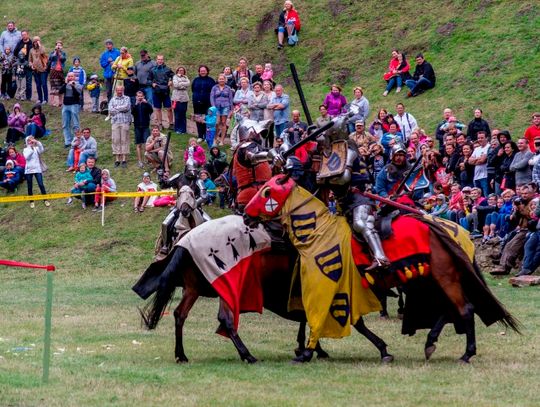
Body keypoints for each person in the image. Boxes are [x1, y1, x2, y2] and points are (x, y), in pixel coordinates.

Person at [108, 86, 131, 167]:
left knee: (124, 139)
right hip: (115, 122)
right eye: (118, 90)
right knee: (116, 139)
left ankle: (124, 159)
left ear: (123, 90)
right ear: (116, 90)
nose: (119, 91)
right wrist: (120, 109)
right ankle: (117, 159)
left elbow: (126, 107)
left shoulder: (127, 98)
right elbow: (110, 110)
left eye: (121, 90)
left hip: (124, 121)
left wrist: (116, 108)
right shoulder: (112, 99)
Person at [23, 136, 49, 208]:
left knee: (41, 184)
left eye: (31, 140)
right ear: (26, 142)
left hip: (37, 169)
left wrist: (37, 142)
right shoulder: (25, 150)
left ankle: (45, 199)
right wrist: (31, 148)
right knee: (30, 186)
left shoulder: (36, 148)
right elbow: (26, 157)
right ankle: (31, 201)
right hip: (28, 170)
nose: (30, 141)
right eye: (29, 140)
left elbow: (42, 149)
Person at [191, 65, 215, 141]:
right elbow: (192, 89)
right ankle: (200, 136)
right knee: (198, 119)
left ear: (207, 71)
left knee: (207, 119)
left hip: (208, 103)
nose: (203, 72)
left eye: (204, 70)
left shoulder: (211, 80)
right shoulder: (196, 80)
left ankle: (206, 136)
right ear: (199, 72)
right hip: (197, 102)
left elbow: (213, 91)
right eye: (201, 71)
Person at [148, 54, 173, 128]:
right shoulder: (152, 69)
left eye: (161, 59)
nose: (160, 61)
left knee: (169, 108)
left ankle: (171, 124)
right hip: (156, 91)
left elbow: (173, 75)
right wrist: (152, 84)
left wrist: (171, 81)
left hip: (165, 91)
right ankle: (160, 124)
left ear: (163, 60)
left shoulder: (168, 69)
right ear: (156, 60)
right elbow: (148, 80)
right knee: (157, 109)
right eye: (159, 59)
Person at [59, 71, 83, 148]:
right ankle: (67, 141)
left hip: (74, 105)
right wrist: (66, 83)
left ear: (74, 77)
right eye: (69, 76)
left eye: (71, 76)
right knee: (65, 124)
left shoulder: (78, 85)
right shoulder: (65, 85)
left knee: (75, 124)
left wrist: (73, 86)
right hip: (65, 105)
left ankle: (77, 140)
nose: (70, 78)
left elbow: (77, 94)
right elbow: (60, 91)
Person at [210, 73, 234, 145]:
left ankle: (222, 140)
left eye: (223, 79)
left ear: (225, 80)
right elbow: (212, 97)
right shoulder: (214, 87)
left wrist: (231, 109)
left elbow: (230, 99)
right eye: (220, 79)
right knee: (217, 123)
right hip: (216, 106)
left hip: (225, 106)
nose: (221, 80)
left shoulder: (228, 88)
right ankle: (215, 138)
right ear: (218, 80)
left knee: (223, 122)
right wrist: (213, 106)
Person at [132, 90, 153, 168]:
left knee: (146, 143)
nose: (140, 97)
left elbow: (151, 110)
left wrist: (146, 103)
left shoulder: (146, 104)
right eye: (138, 96)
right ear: (136, 97)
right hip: (137, 127)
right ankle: (140, 161)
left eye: (141, 96)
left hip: (145, 126)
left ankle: (147, 159)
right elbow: (132, 112)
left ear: (144, 96)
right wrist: (136, 104)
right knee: (138, 144)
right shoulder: (135, 105)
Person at [13, 30, 33, 101]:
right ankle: (19, 95)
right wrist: (19, 59)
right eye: (22, 35)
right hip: (20, 65)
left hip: (28, 64)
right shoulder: (20, 43)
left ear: (28, 35)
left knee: (28, 82)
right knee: (20, 82)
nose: (23, 36)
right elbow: (15, 52)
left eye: (25, 34)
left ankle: (28, 97)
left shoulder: (31, 43)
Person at [469, 131, 490, 197]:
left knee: (486, 196)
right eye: (478, 138)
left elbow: (482, 160)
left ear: (486, 138)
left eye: (482, 138)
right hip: (476, 177)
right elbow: (469, 161)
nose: (480, 139)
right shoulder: (477, 149)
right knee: (477, 198)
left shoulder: (489, 147)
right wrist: (478, 159)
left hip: (485, 176)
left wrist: (475, 160)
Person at [28, 36, 48, 104]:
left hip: (43, 69)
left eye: (37, 41)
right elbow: (30, 60)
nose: (35, 42)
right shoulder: (31, 50)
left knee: (44, 84)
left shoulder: (42, 48)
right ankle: (40, 98)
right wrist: (31, 65)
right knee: (38, 85)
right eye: (34, 41)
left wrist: (39, 45)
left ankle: (45, 99)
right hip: (35, 70)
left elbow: (43, 53)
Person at [171, 66, 190, 135]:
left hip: (184, 98)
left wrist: (180, 83)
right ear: (177, 71)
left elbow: (188, 83)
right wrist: (183, 84)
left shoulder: (186, 77)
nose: (181, 71)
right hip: (176, 98)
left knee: (183, 114)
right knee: (177, 114)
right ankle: (177, 129)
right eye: (179, 70)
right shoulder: (175, 77)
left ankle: (183, 129)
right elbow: (176, 85)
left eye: (182, 70)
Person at [48, 40, 67, 107]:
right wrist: (56, 51)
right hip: (53, 71)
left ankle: (60, 102)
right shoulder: (53, 52)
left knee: (60, 87)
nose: (58, 46)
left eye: (60, 45)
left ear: (62, 46)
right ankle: (52, 102)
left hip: (60, 71)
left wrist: (59, 53)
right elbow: (51, 58)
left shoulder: (63, 53)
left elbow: (63, 59)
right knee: (53, 87)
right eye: (57, 45)